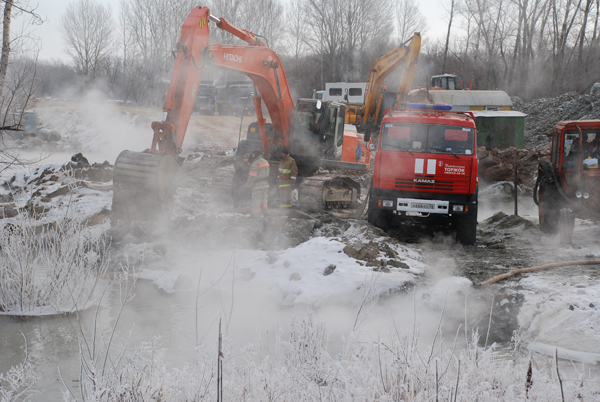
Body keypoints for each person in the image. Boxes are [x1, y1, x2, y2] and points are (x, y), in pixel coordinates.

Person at [246, 151, 270, 218]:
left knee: (256, 202)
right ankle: (266, 214)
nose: (252, 155)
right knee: (264, 201)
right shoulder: (266, 162)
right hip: (265, 185)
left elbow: (252, 177)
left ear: (255, 155)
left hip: (257, 186)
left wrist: (248, 185)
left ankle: (255, 216)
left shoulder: (255, 164)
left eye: (253, 154)